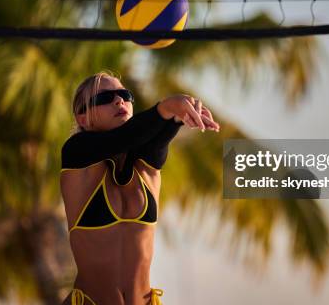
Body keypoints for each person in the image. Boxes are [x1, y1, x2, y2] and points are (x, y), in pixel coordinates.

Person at [60, 71, 220, 305]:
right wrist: (167, 108)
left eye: (124, 94)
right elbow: (125, 137)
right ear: (82, 118)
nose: (119, 101)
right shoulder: (76, 153)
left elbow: (154, 138)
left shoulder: (144, 165)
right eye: (104, 98)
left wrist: (177, 114)